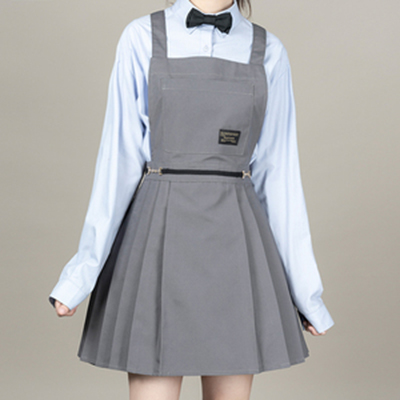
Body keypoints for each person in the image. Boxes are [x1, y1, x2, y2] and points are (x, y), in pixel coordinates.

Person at [48, 0, 335, 399]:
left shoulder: (269, 50)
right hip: (157, 238)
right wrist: (81, 274)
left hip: (236, 248)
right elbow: (118, 161)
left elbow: (280, 175)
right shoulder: (141, 36)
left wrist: (306, 293)